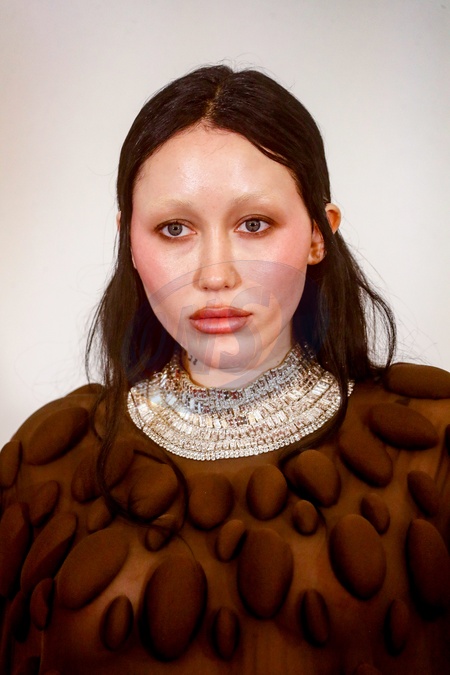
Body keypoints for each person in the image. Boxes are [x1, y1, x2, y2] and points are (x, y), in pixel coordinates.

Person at [0, 65, 449, 675]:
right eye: (174, 229)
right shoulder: (42, 460)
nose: (215, 274)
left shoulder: (435, 445)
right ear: (129, 241)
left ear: (319, 234)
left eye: (254, 224)